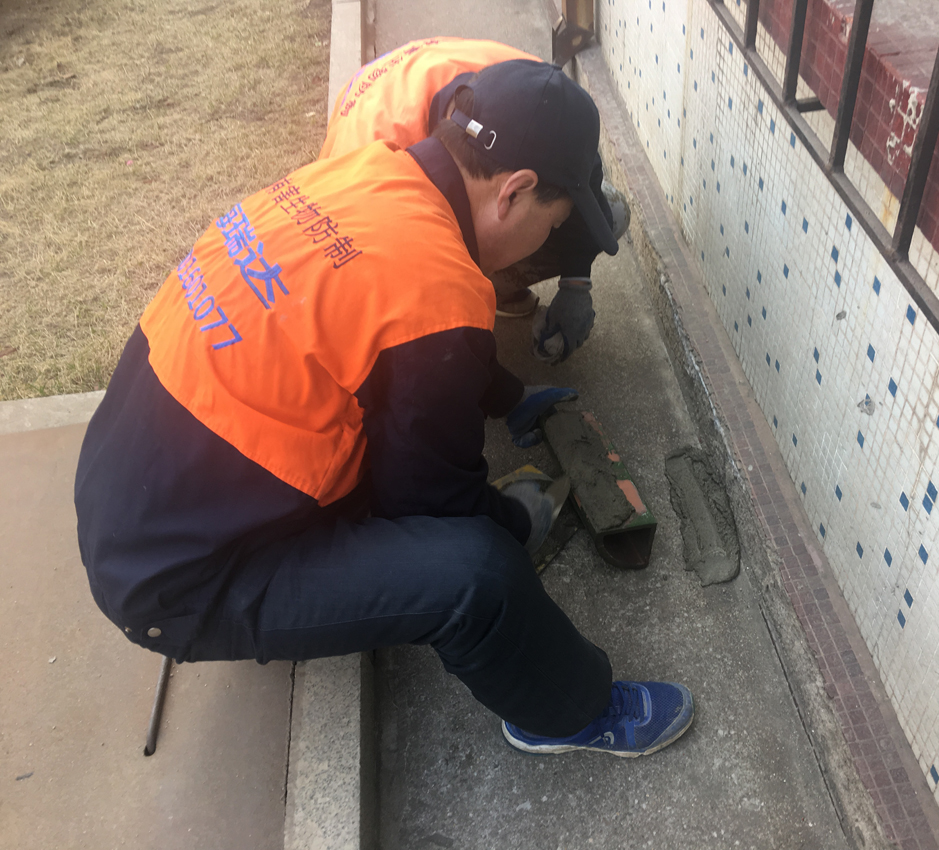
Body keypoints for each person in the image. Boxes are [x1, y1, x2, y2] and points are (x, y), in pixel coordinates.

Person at [74, 60, 693, 757]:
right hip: (182, 582)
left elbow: (407, 347)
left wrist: (512, 399)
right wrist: (518, 520)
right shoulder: (439, 289)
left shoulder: (370, 173)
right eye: (552, 225)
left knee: (392, 432)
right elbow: (434, 503)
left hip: (132, 494)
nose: (547, 243)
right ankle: (570, 713)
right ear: (515, 192)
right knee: (478, 575)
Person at [322, 36, 631, 364]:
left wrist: (576, 280)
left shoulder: (534, 91)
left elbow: (580, 168)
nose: (555, 227)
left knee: (610, 211)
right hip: (370, 227)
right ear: (512, 191)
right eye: (554, 223)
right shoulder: (376, 175)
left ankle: (495, 283)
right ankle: (477, 287)